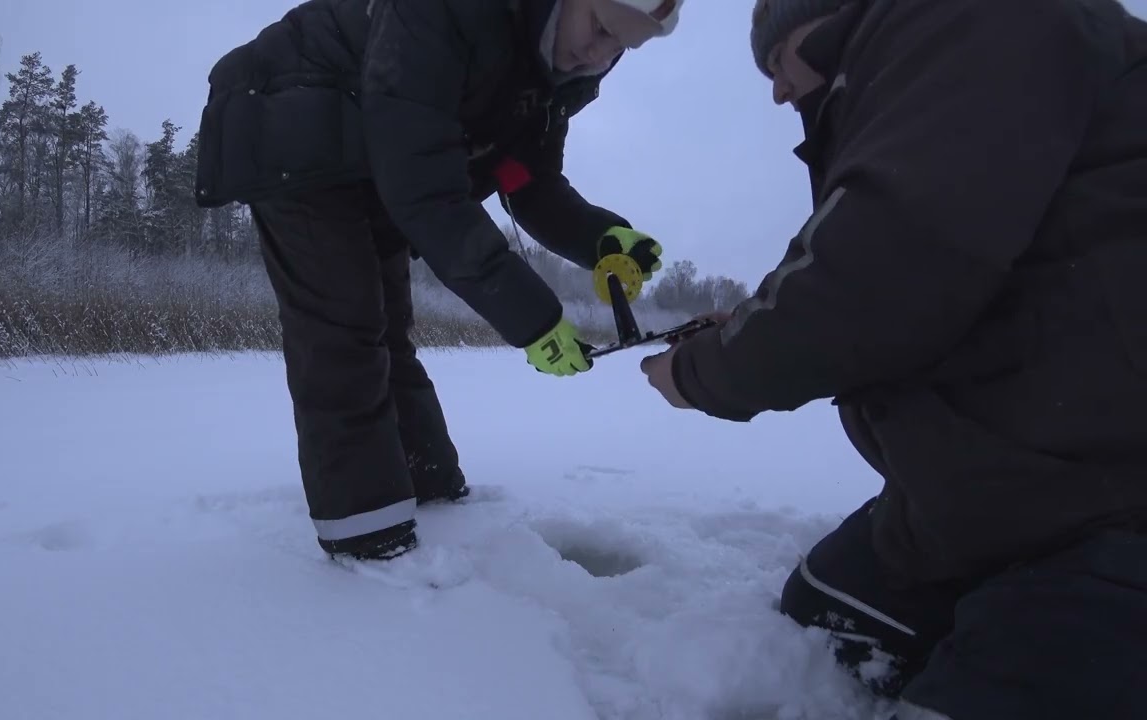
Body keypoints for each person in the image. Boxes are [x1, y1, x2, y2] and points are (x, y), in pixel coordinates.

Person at [640, 0, 1147, 717]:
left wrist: (697, 374)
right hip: (997, 490)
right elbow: (879, 263)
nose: (777, 91)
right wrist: (746, 330)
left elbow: (880, 275)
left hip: (1105, 493)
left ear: (818, 20)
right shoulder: (917, 80)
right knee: (820, 607)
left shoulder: (988, 19)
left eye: (775, 62)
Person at [192, 0, 680, 562]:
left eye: (621, 45)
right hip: (294, 121)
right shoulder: (447, 12)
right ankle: (368, 540)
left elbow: (527, 181)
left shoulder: (552, 75)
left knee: (387, 331)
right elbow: (427, 188)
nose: (600, 53)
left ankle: (431, 491)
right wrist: (530, 317)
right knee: (343, 330)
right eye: (599, 26)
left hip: (373, 157)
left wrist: (599, 239)